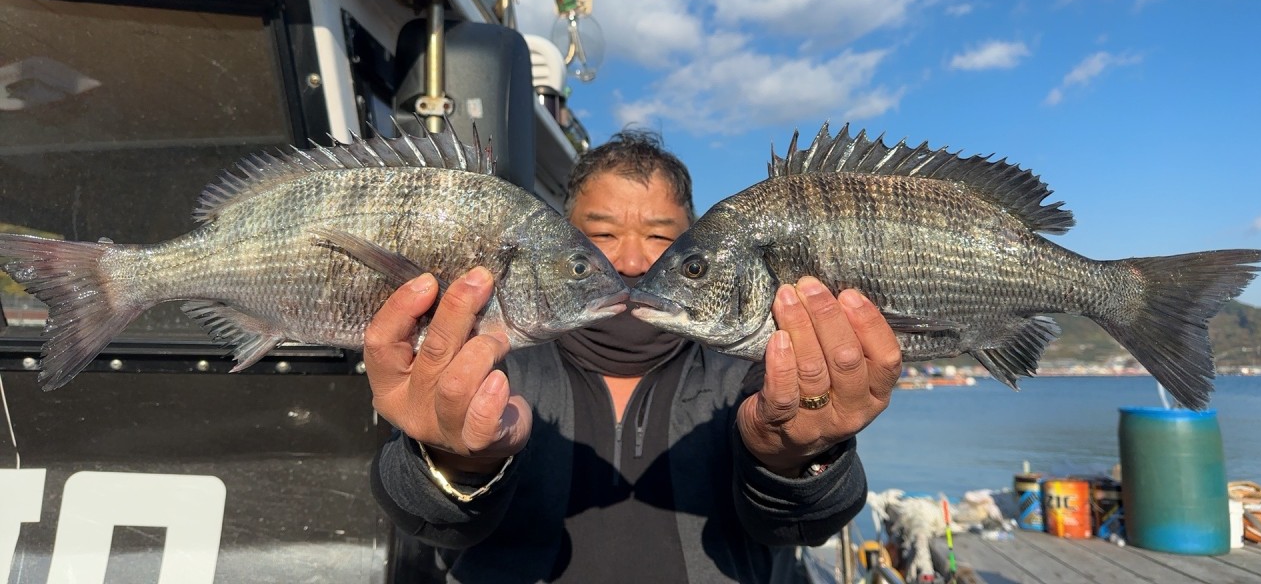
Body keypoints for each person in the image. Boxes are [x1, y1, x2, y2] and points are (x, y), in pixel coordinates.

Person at [365, 130, 902, 583]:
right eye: (599, 234)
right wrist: (455, 457)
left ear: (695, 244)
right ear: (562, 239)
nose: (627, 259)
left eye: (660, 236)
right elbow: (419, 515)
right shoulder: (493, 358)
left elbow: (808, 524)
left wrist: (800, 455)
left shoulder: (760, 363)